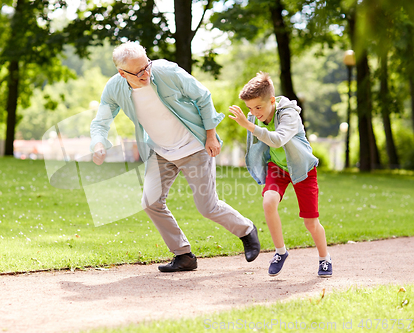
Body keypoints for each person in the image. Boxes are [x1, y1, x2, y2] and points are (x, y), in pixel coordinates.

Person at [90, 41, 260, 272]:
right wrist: (98, 143)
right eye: (138, 72)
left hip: (194, 147)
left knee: (207, 207)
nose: (146, 73)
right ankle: (184, 255)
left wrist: (211, 136)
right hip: (161, 152)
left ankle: (246, 230)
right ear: (122, 73)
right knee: (150, 202)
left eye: (146, 66)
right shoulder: (114, 88)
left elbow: (203, 96)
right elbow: (101, 120)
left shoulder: (166, 71)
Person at [228, 72, 332, 278]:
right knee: (268, 202)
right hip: (278, 167)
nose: (254, 113)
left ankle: (325, 258)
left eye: (258, 107)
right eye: (250, 108)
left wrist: (250, 126)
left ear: (272, 101)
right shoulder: (254, 117)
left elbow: (277, 140)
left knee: (310, 222)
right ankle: (280, 252)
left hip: (302, 169)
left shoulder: (288, 115)